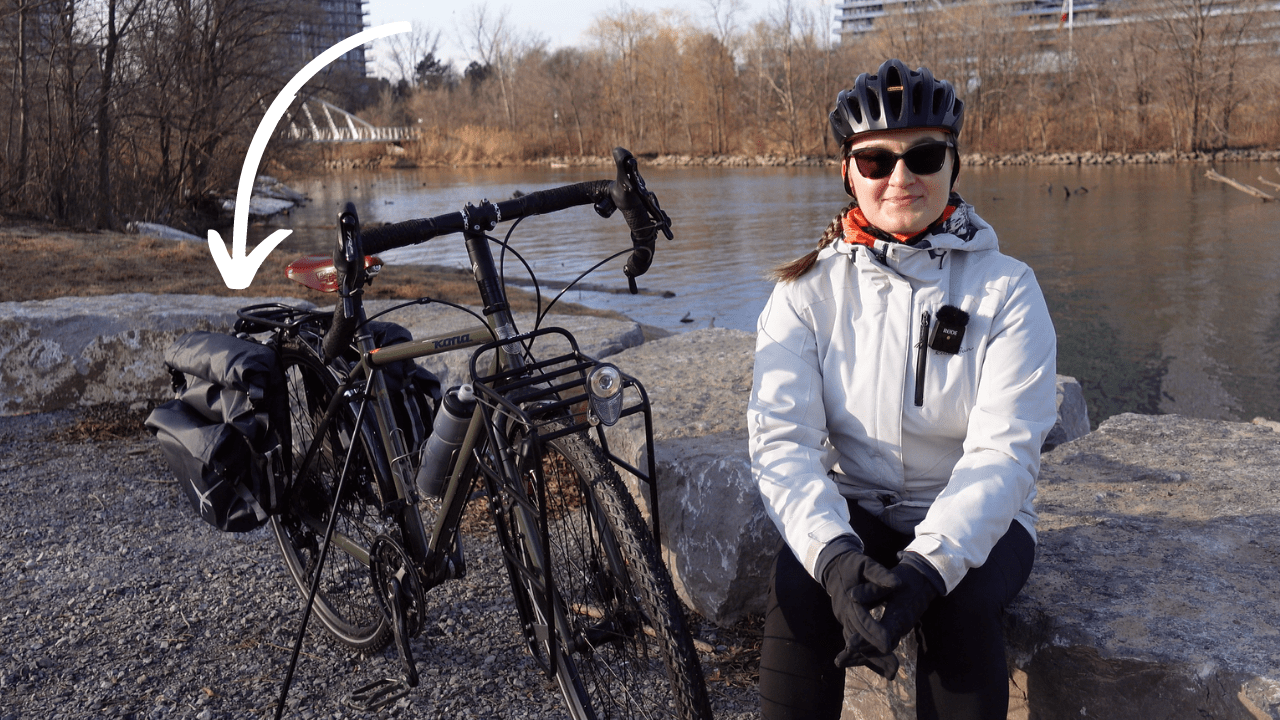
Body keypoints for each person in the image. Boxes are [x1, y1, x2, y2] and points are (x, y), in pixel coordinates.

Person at [748, 58, 1058, 720]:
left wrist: (926, 572)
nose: (900, 178)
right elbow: (782, 443)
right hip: (857, 504)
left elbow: (1004, 456)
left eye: (922, 155)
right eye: (876, 162)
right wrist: (833, 561)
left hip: (980, 519)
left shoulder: (1008, 290)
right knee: (796, 589)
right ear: (847, 171)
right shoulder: (803, 294)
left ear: (953, 164)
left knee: (961, 607)